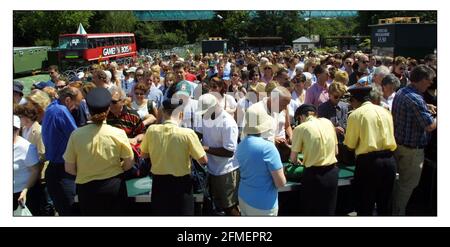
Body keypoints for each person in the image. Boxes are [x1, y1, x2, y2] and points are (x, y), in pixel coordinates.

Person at [64, 88, 134, 215]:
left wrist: (87, 172)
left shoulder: (76, 135)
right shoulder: (118, 133)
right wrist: (117, 170)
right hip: (114, 186)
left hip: (87, 190)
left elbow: (69, 168)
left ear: (88, 110)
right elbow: (129, 163)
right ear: (108, 109)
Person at [140, 98, 208, 215]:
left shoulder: (151, 130)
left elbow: (144, 155)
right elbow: (203, 160)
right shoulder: (188, 134)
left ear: (163, 112)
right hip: (181, 185)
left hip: (159, 183)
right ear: (181, 114)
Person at [344, 87, 397, 216]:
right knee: (385, 203)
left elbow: (350, 145)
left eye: (351, 101)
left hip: (369, 163)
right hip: (389, 161)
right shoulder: (385, 111)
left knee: (365, 204)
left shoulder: (355, 115)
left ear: (355, 100)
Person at [391, 65, 437, 216]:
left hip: (400, 146)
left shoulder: (402, 91)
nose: (431, 83)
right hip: (412, 150)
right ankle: (398, 214)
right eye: (429, 81)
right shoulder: (415, 98)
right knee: (407, 185)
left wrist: (426, 106)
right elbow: (430, 126)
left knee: (400, 183)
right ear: (422, 79)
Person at [236, 104, 286, 216]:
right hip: (263, 204)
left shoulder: (241, 145)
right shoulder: (268, 147)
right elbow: (281, 183)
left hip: (244, 197)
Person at [290, 104, 339, 215]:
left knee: (311, 212)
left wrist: (297, 160)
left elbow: (293, 158)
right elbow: (336, 151)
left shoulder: (300, 128)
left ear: (301, 117)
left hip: (314, 175)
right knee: (329, 211)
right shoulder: (328, 122)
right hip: (332, 173)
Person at [196, 94, 240, 216]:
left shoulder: (228, 122)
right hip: (211, 170)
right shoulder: (205, 117)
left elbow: (229, 151)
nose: (203, 114)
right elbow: (197, 134)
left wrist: (204, 148)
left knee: (229, 207)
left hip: (226, 171)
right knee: (214, 206)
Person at [41, 87, 82, 215]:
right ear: (68, 100)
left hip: (55, 170)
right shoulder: (61, 110)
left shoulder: (52, 107)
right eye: (76, 104)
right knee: (72, 212)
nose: (76, 108)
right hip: (63, 173)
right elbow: (77, 137)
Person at [13, 115, 40, 213]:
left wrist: (25, 190)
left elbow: (35, 171)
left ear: (18, 129)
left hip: (20, 195)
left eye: (13, 129)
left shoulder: (26, 147)